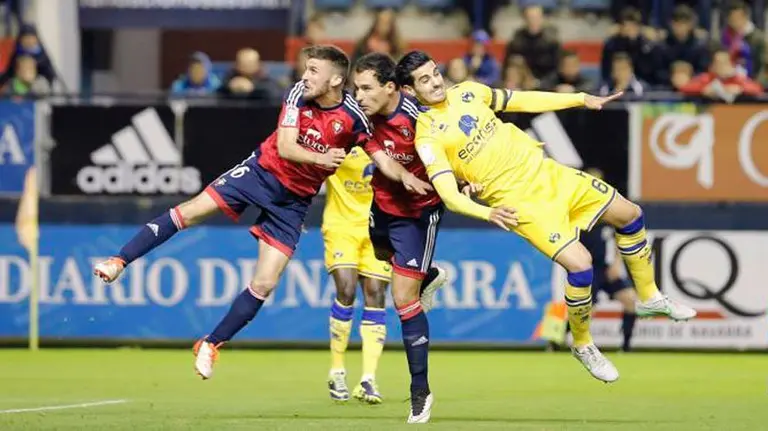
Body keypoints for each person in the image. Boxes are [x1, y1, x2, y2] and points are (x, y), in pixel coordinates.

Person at [92, 45, 432, 380]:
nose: (305, 75)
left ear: (335, 79)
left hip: (294, 203)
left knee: (265, 282)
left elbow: (380, 155)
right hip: (260, 175)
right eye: (307, 68)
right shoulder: (298, 94)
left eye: (314, 70)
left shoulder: (357, 119)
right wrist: (320, 158)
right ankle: (119, 261)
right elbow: (285, 146)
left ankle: (210, 343)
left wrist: (405, 175)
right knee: (191, 211)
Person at [394, 50, 697, 390]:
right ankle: (583, 344)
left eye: (435, 72)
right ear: (409, 91)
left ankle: (650, 295)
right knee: (581, 266)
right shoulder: (428, 136)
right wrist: (488, 211)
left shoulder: (469, 91)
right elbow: (449, 194)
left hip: (550, 174)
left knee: (630, 214)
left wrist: (580, 98)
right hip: (521, 203)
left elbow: (523, 99)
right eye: (424, 79)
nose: (435, 81)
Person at [352, 52, 453, 423]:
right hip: (382, 206)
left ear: (391, 87)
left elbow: (455, 152)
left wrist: (464, 179)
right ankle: (430, 275)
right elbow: (375, 152)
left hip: (419, 213)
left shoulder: (420, 117)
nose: (359, 95)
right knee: (383, 256)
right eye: (356, 88)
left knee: (402, 298)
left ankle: (420, 391)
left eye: (366, 88)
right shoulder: (361, 115)